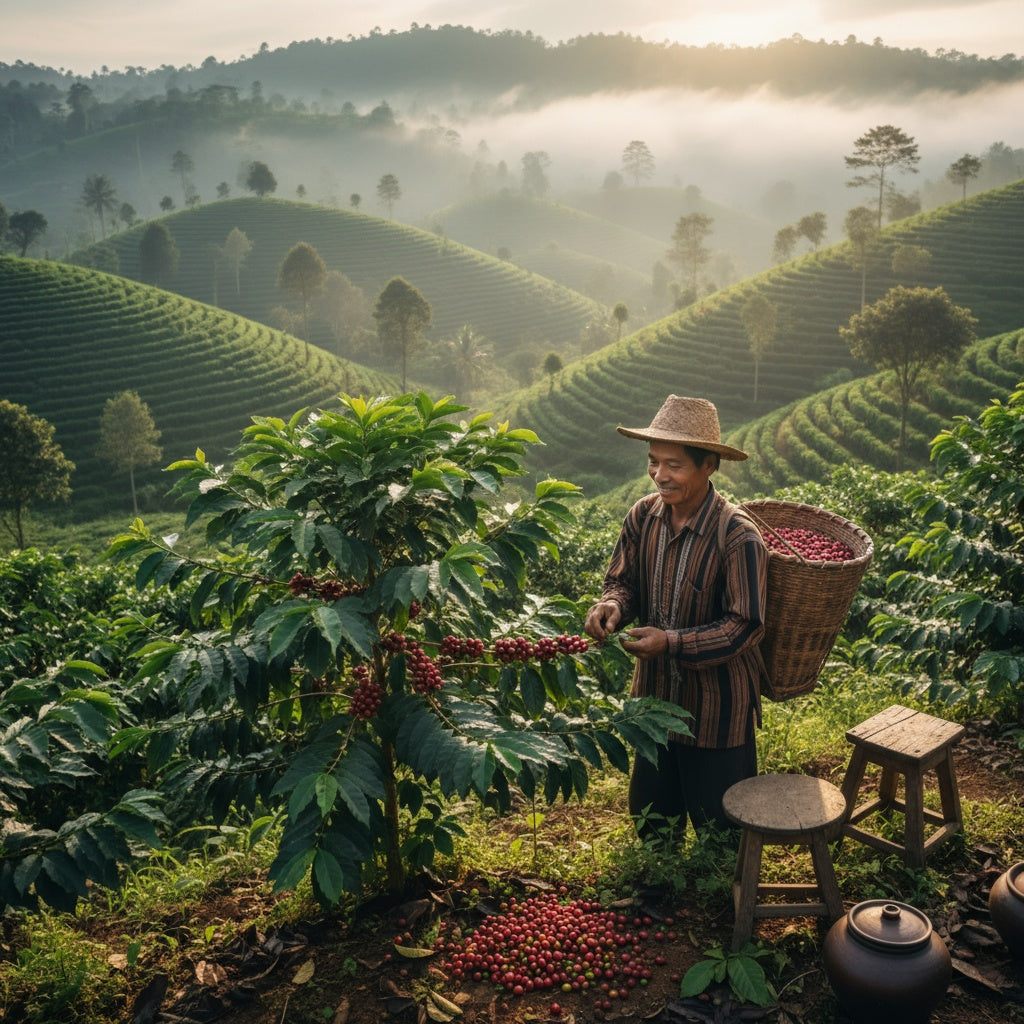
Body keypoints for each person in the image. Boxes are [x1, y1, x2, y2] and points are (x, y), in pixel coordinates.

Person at [584, 394, 768, 842]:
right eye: (653, 462)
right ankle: (658, 900)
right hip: (655, 702)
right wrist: (612, 605)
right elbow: (623, 582)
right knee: (652, 822)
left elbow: (744, 625)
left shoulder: (738, 536)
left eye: (674, 465)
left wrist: (671, 642)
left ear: (708, 466)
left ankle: (721, 909)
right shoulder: (643, 516)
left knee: (721, 832)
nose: (659, 475)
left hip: (716, 712)